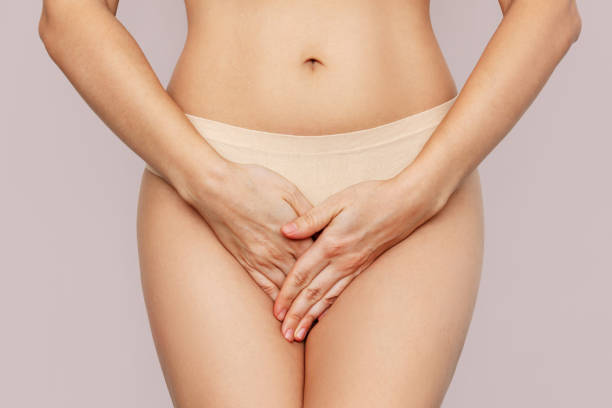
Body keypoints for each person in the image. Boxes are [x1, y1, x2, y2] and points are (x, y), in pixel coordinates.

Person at [38, 0, 581, 406]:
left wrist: (420, 190)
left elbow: (551, 12)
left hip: (405, 177)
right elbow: (67, 14)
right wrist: (210, 185)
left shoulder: (414, 189)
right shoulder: (210, 183)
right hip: (213, 172)